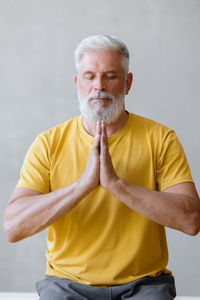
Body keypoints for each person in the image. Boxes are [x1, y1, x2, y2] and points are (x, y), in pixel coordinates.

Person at [3, 35, 200, 300]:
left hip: (144, 285)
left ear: (127, 83)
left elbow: (191, 221)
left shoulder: (161, 138)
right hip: (66, 285)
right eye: (89, 76)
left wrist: (117, 185)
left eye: (110, 76)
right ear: (77, 83)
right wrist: (82, 186)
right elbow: (13, 227)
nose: (99, 86)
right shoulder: (48, 143)